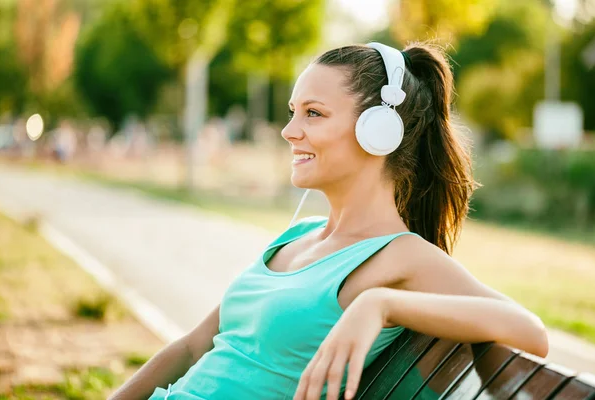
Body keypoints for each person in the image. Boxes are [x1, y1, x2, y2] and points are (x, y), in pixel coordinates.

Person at [110, 42, 548, 400]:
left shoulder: (402, 255)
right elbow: (191, 347)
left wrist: (380, 305)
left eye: (313, 113)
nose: (289, 130)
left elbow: (530, 332)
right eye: (291, 111)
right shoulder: (296, 236)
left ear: (379, 130)